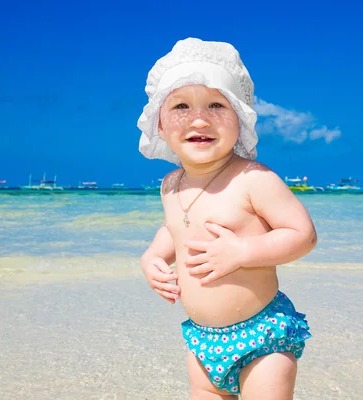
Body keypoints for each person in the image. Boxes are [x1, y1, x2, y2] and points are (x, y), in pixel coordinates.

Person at [138, 38, 317, 400]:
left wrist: (242, 251)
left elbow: (302, 234)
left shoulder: (253, 179)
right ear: (159, 123)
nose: (199, 118)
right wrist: (153, 257)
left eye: (217, 104)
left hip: (262, 336)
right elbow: (177, 227)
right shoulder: (171, 185)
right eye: (181, 106)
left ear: (241, 118)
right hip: (203, 341)